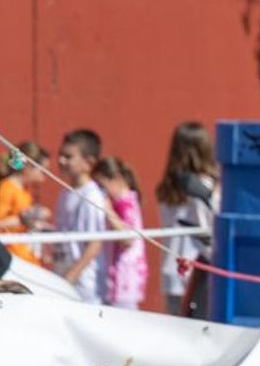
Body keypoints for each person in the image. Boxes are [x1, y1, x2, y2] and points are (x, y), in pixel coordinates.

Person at [156, 122, 221, 316]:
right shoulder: (204, 186)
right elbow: (214, 219)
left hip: (173, 266)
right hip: (198, 268)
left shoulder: (168, 187)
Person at [52, 129, 110, 303]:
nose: (61, 160)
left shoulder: (92, 196)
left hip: (84, 285)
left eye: (68, 157)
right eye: (60, 155)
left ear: (88, 163)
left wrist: (70, 276)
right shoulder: (66, 192)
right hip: (64, 277)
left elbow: (94, 244)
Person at [93, 157, 148, 310]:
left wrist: (108, 210)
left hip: (125, 279)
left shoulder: (126, 204)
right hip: (119, 278)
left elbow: (128, 240)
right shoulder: (121, 202)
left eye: (102, 187)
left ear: (117, 179)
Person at [0, 141, 52, 266]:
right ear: (28, 167)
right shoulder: (7, 187)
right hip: (15, 255)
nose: (44, 177)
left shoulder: (24, 190)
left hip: (27, 254)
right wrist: (25, 218)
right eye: (43, 171)